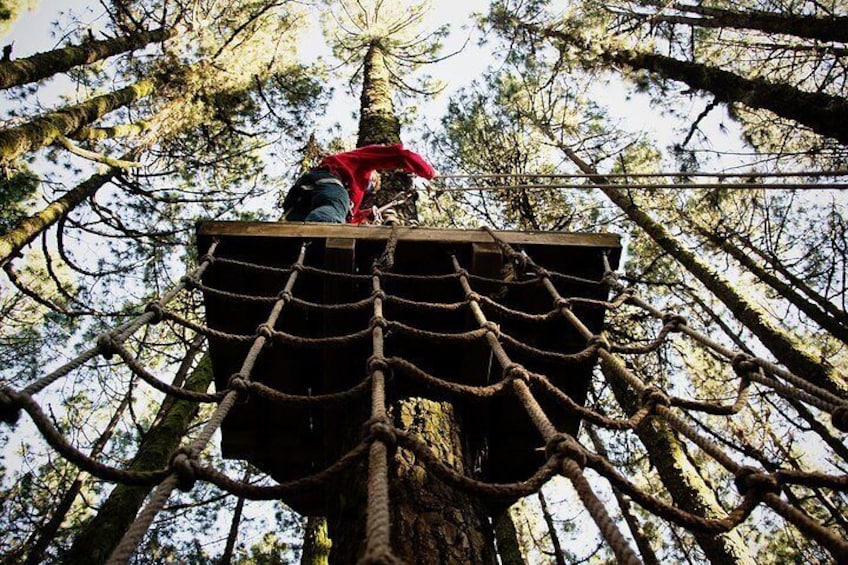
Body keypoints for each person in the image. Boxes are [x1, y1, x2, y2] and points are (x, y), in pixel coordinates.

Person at [282, 143, 437, 224]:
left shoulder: (354, 193)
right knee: (334, 207)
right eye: (374, 181)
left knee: (332, 210)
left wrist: (367, 215)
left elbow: (348, 217)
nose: (369, 186)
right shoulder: (360, 163)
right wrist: (429, 172)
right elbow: (399, 154)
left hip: (303, 196)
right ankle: (316, 239)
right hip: (327, 180)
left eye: (370, 189)